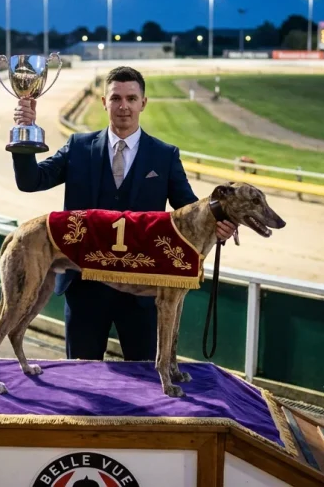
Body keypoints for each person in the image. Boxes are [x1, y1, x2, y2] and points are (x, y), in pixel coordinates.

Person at [12, 66, 236, 361]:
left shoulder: (164, 155)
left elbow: (190, 213)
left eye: (131, 98)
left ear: (143, 103)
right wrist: (23, 136)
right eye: (116, 98)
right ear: (103, 102)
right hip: (84, 289)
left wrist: (222, 222)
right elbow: (31, 182)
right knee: (80, 384)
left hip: (143, 295)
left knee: (143, 385)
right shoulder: (79, 148)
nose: (124, 106)